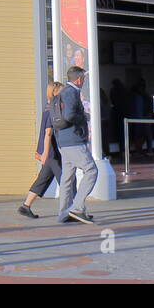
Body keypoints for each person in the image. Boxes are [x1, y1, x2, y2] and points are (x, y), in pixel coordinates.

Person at [57, 66, 98, 225]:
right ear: (79, 79)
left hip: (64, 141)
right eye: (84, 79)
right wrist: (84, 117)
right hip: (74, 140)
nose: (84, 81)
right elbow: (70, 115)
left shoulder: (64, 91)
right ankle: (77, 208)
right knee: (91, 170)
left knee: (67, 177)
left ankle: (64, 213)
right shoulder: (71, 92)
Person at [18, 82, 63, 219]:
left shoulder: (48, 107)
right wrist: (45, 153)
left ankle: (26, 206)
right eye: (61, 91)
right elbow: (48, 133)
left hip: (50, 153)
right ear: (55, 92)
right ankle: (74, 209)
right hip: (52, 153)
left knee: (43, 179)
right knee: (66, 180)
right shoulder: (52, 109)